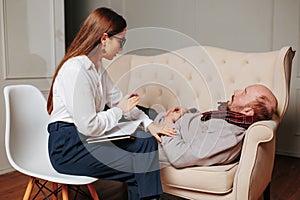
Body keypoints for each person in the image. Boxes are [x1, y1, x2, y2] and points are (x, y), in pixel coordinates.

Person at [46, 7, 175, 200]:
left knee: (145, 141)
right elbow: (89, 125)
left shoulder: (97, 69)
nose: (122, 47)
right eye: (120, 41)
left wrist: (149, 124)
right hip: (68, 147)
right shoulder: (76, 70)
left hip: (87, 139)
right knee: (138, 166)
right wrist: (118, 111)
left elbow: (122, 101)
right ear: (104, 38)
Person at [153, 84, 278, 168]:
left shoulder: (227, 136)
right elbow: (201, 125)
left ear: (247, 111)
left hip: (152, 136)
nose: (236, 92)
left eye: (244, 93)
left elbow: (179, 156)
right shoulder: (231, 119)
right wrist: (184, 113)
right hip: (157, 120)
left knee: (134, 108)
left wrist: (168, 123)